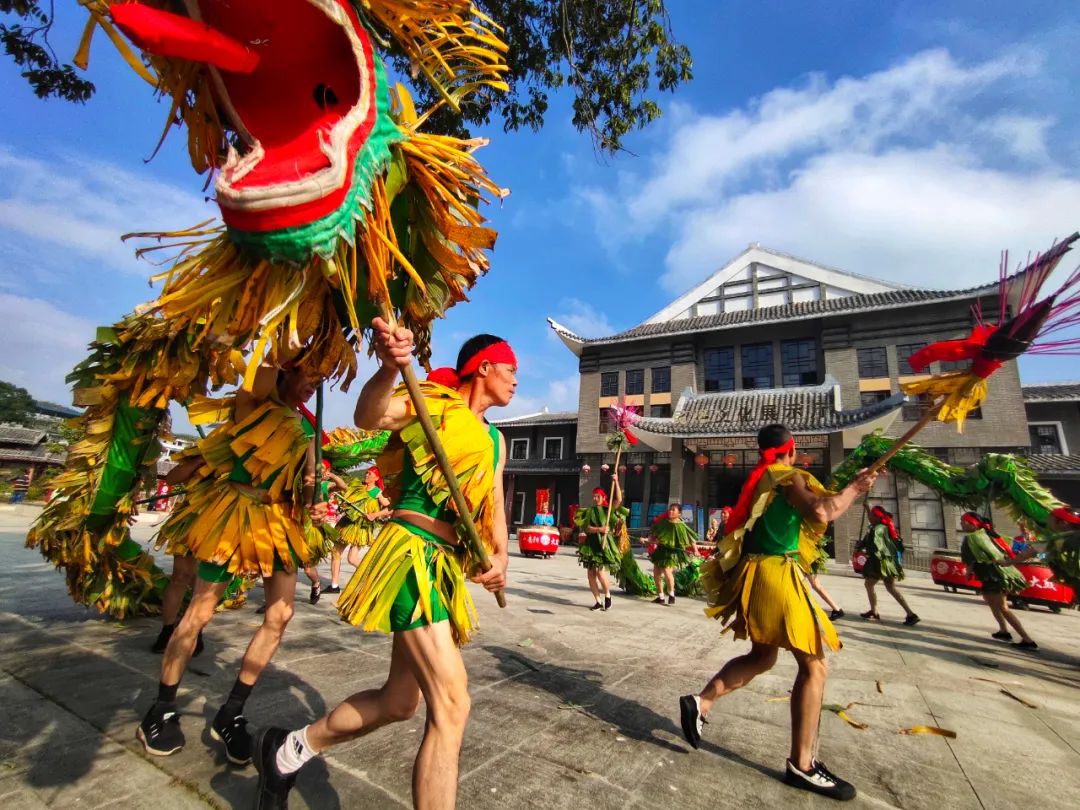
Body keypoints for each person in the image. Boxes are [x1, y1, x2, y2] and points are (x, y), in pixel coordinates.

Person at [252, 321, 511, 810]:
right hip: (410, 554)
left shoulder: (495, 442)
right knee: (452, 703)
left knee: (399, 702)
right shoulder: (435, 400)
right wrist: (390, 369)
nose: (517, 380)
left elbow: (494, 509)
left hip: (443, 569)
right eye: (511, 369)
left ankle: (288, 751)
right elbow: (370, 415)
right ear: (484, 368)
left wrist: (499, 558)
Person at [137, 360, 324, 764]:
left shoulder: (309, 426)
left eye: (320, 377)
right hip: (236, 516)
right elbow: (265, 366)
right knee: (200, 612)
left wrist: (316, 487)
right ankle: (162, 708)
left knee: (281, 616)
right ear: (285, 373)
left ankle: (231, 712)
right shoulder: (254, 405)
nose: (314, 383)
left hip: (281, 523)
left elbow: (308, 488)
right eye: (308, 373)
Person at [682, 424, 879, 801]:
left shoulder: (764, 478)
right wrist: (855, 489)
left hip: (756, 572)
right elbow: (822, 512)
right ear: (793, 449)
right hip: (776, 573)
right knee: (815, 665)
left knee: (762, 656)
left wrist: (850, 486)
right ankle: (802, 765)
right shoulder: (787, 476)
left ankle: (701, 702)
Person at [960, 512, 1036, 649]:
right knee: (991, 602)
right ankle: (1003, 631)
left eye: (963, 521)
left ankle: (1028, 640)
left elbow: (971, 560)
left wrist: (968, 573)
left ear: (972, 524)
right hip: (991, 575)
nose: (961, 524)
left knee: (1003, 607)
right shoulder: (988, 534)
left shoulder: (973, 538)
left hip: (995, 575)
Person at [326, 465, 391, 593]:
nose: (366, 475)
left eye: (370, 474)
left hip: (361, 528)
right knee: (336, 552)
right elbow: (346, 492)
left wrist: (374, 515)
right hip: (347, 524)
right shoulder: (358, 486)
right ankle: (334, 585)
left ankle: (371, 577)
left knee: (352, 559)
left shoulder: (376, 492)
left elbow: (389, 508)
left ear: (376, 478)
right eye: (366, 473)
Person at [855, 506, 919, 626]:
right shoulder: (883, 527)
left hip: (880, 563)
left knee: (869, 584)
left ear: (877, 517)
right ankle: (910, 614)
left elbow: (875, 545)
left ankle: (875, 611)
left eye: (872, 515)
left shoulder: (877, 529)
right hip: (889, 563)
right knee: (890, 588)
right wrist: (867, 508)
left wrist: (863, 548)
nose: (869, 517)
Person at [574, 481, 627, 611]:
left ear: (603, 498)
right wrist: (600, 529)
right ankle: (598, 601)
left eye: (598, 496)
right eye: (594, 496)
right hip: (591, 544)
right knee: (590, 574)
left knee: (600, 572)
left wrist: (616, 482)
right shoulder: (589, 511)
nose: (595, 498)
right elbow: (587, 528)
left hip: (603, 544)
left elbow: (619, 499)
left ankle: (608, 595)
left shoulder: (608, 509)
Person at [648, 503, 699, 605]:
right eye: (670, 510)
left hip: (673, 553)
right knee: (656, 573)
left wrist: (695, 550)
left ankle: (672, 595)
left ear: (679, 514)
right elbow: (653, 536)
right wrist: (647, 540)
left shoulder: (681, 525)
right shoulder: (663, 523)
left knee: (667, 571)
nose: (670, 511)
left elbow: (691, 539)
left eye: (673, 510)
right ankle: (661, 596)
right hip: (661, 551)